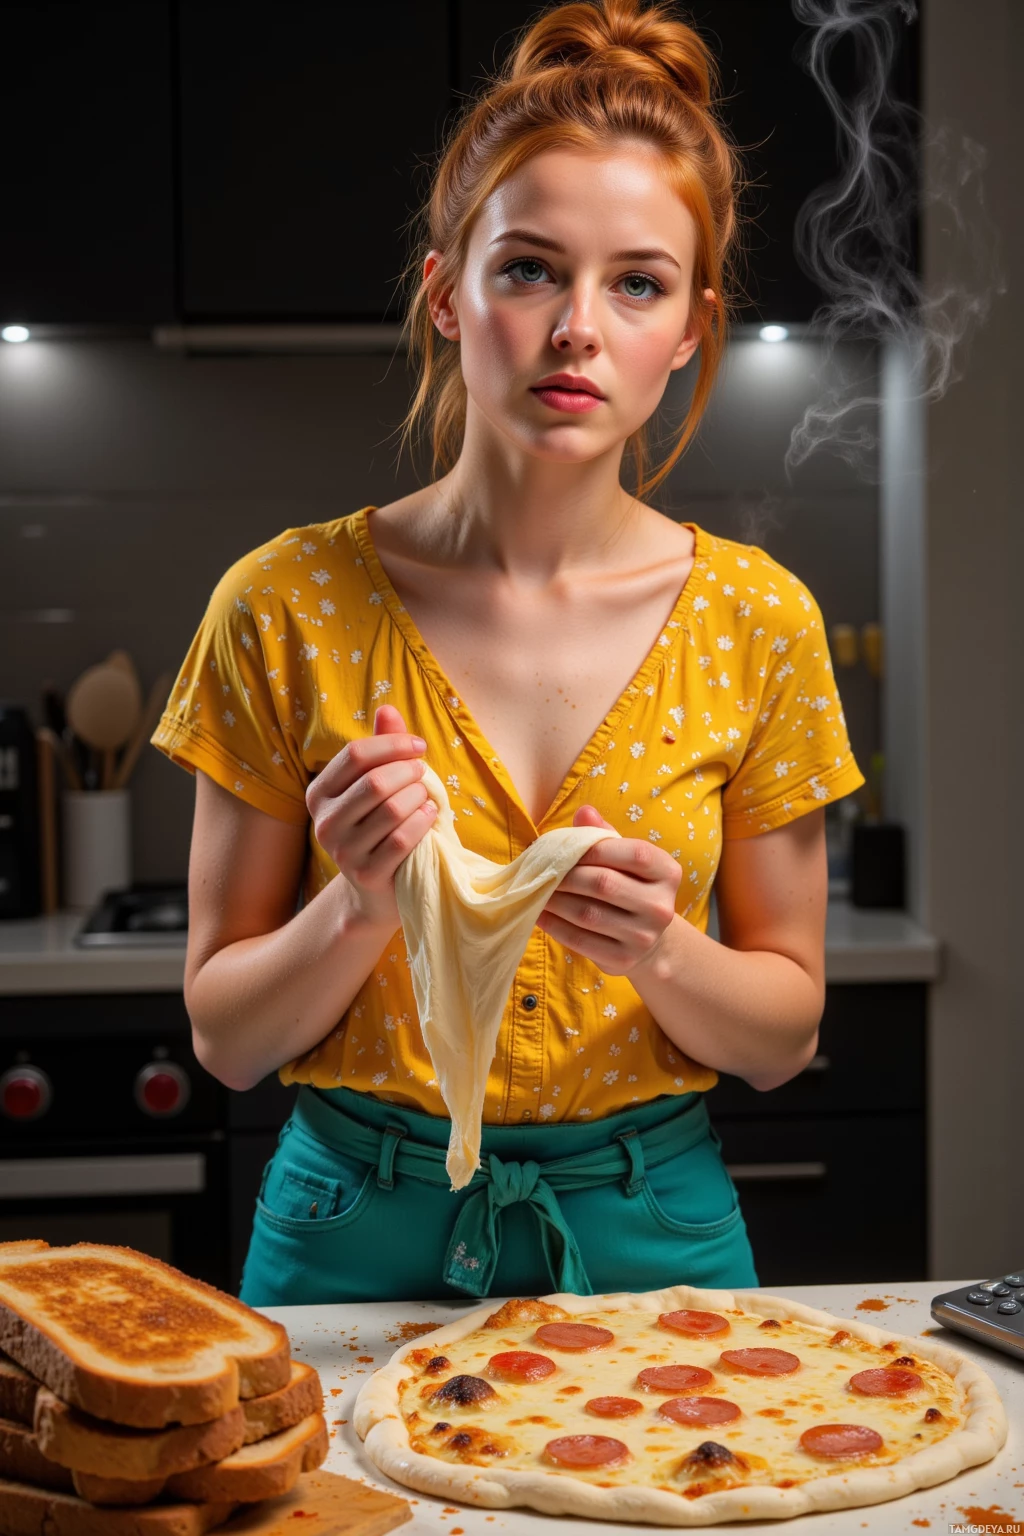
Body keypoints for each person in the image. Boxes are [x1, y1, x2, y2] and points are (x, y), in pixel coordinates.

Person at [152, 0, 864, 1305]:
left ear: (691, 327)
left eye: (635, 282)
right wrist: (357, 903)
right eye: (531, 268)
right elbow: (228, 1040)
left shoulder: (760, 621)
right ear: (447, 293)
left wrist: (661, 950)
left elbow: (783, 1033)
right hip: (348, 1232)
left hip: (656, 1236)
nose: (578, 327)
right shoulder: (283, 603)